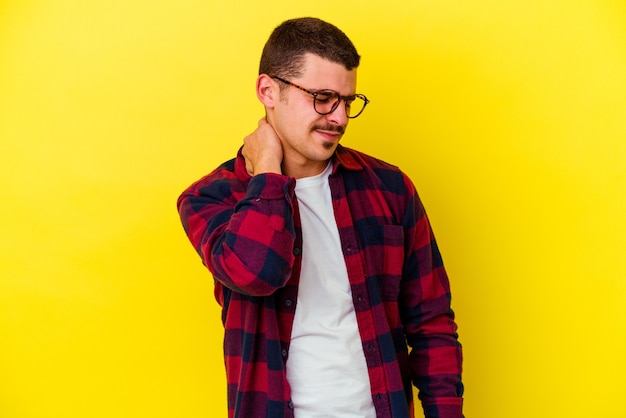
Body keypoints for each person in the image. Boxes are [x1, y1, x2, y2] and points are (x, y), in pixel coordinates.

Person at [177, 17, 464, 418]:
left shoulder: (390, 188)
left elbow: (431, 322)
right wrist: (269, 174)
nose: (340, 118)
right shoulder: (211, 197)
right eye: (323, 97)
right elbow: (257, 273)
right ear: (268, 91)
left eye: (348, 101)